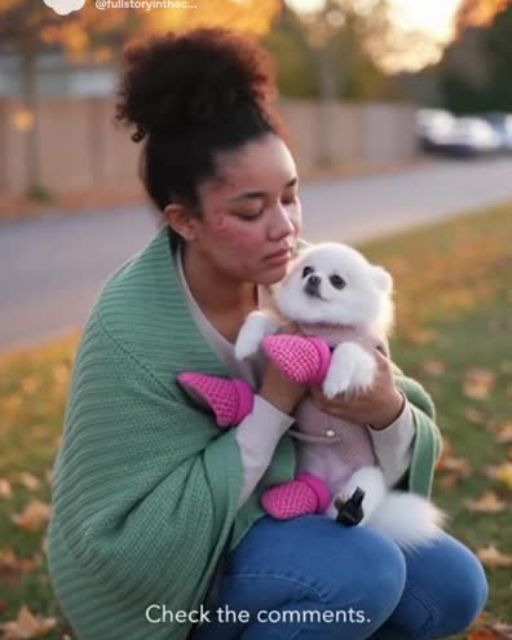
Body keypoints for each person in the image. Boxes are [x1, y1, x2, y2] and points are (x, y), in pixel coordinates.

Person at [46, 27, 488, 640]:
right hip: (182, 571)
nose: (285, 228)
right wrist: (277, 398)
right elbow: (128, 536)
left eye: (291, 197)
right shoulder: (131, 328)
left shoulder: (307, 276)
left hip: (301, 510)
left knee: (453, 586)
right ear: (184, 220)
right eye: (251, 211)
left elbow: (375, 431)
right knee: (362, 573)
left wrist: (386, 410)